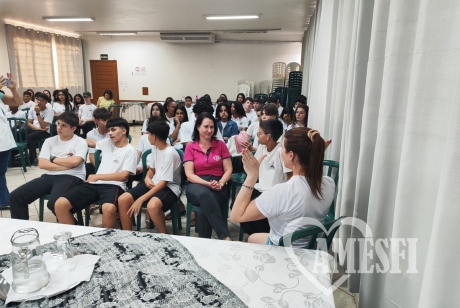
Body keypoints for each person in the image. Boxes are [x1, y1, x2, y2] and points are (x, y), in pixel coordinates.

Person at [230, 128, 335, 247]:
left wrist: (252, 176)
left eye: (282, 148)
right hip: (311, 246)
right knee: (253, 238)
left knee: (252, 237)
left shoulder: (282, 192)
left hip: (284, 250)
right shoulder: (329, 183)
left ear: (291, 155)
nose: (280, 151)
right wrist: (313, 155)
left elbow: (235, 216)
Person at [55, 118, 138, 228]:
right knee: (60, 204)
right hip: (94, 184)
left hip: (114, 185)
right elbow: (91, 142)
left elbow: (123, 176)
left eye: (113, 130)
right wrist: (70, 136)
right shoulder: (108, 142)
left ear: (124, 131)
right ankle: (75, 235)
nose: (110, 133)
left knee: (109, 208)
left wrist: (97, 176)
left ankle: (107, 238)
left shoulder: (130, 151)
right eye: (109, 130)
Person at [10, 112, 88, 219]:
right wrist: (64, 164)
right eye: (58, 124)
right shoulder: (49, 141)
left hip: (72, 176)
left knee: (55, 203)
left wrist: (53, 159)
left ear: (73, 128)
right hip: (49, 176)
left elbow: (75, 162)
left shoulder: (80, 142)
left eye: (64, 125)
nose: (59, 128)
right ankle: (22, 231)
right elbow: (42, 164)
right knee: (16, 196)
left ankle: (73, 227)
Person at [118, 121, 182, 232]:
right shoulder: (155, 147)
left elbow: (164, 183)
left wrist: (141, 199)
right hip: (154, 182)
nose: (147, 137)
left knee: (152, 206)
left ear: (154, 137)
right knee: (123, 199)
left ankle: (165, 235)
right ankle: (127, 234)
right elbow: (152, 169)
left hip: (170, 187)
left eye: (148, 134)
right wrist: (147, 178)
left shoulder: (170, 153)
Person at [233, 119, 291, 235]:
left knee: (255, 213)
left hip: (274, 194)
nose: (257, 136)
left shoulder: (281, 152)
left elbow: (290, 178)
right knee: (237, 207)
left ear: (268, 136)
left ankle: (264, 235)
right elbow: (255, 167)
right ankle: (258, 235)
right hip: (259, 189)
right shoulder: (262, 148)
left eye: (259, 134)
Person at [184, 113, 233, 240]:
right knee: (205, 194)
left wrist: (221, 183)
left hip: (219, 184)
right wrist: (207, 184)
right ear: (198, 127)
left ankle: (204, 243)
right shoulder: (190, 147)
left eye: (212, 127)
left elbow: (228, 169)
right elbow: (189, 174)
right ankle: (225, 237)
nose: (209, 130)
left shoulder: (221, 145)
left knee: (202, 211)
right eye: (206, 127)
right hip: (196, 184)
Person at [0, 73, 22, 210]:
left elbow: (17, 102)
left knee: (1, 172)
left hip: (3, 140)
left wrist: (13, 89)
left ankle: (3, 201)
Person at [27, 93, 55, 166]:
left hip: (45, 131)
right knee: (17, 134)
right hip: (35, 128)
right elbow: (29, 123)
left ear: (46, 102)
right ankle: (13, 157)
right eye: (38, 100)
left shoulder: (49, 111)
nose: (39, 102)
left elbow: (43, 126)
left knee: (31, 137)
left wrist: (38, 113)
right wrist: (36, 128)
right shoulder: (32, 109)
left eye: (41, 100)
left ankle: (33, 158)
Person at [85, 108, 111, 178]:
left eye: (108, 119)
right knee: (83, 171)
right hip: (97, 162)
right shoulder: (90, 134)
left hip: (111, 162)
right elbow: (92, 156)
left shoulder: (112, 133)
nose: (107, 122)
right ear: (96, 121)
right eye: (104, 120)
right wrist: (99, 169)